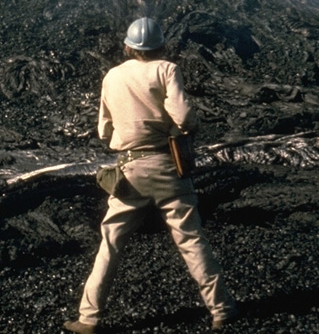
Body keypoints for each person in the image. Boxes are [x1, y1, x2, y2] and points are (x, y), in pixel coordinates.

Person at [64, 17, 237, 333]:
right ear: (160, 46)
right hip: (167, 168)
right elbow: (184, 117)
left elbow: (104, 130)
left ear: (128, 47)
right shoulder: (167, 69)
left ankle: (88, 318)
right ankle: (221, 309)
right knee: (191, 239)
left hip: (128, 171)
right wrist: (182, 128)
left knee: (110, 243)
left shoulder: (112, 76)